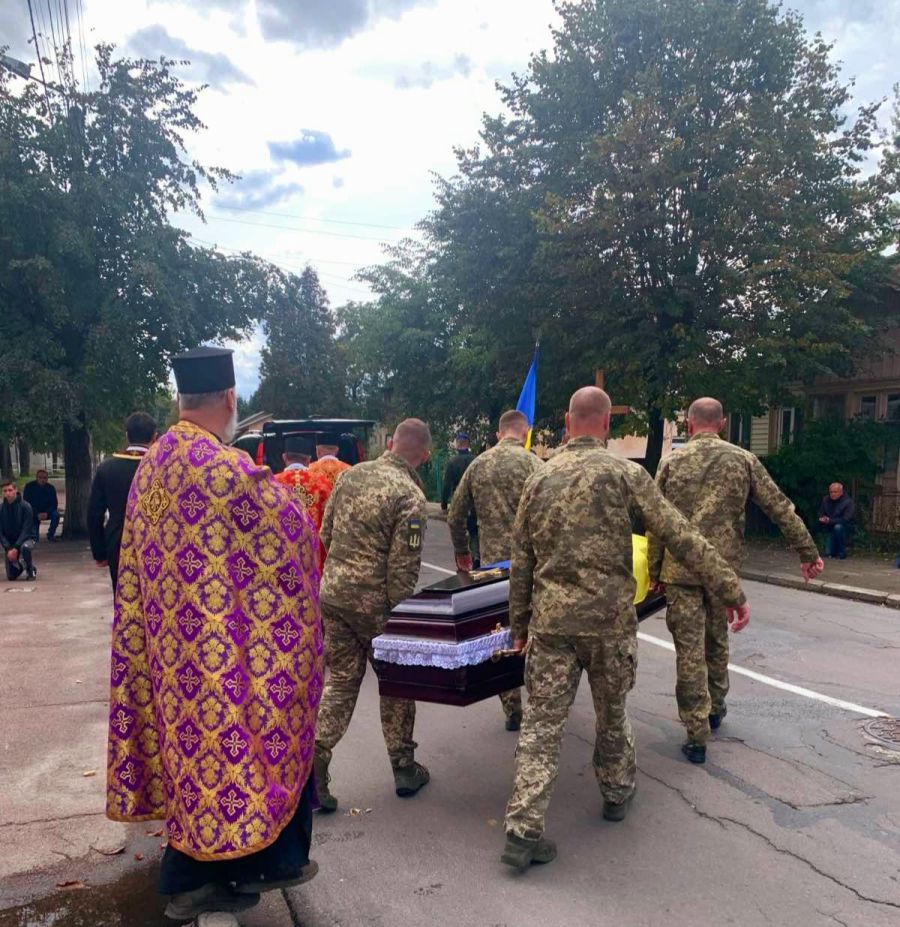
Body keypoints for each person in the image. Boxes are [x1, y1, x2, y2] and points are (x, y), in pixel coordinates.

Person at [105, 346, 324, 922]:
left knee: (194, 763)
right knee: (245, 747)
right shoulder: (224, 469)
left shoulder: (154, 463)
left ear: (182, 398)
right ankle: (256, 867)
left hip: (170, 653)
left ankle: (198, 879)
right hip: (223, 650)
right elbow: (292, 535)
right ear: (229, 398)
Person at [501, 388, 750, 872]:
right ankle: (616, 794)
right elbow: (679, 533)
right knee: (611, 713)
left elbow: (521, 562)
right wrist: (730, 589)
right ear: (606, 425)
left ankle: (522, 830)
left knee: (541, 726)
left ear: (568, 423)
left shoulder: (538, 478)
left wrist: (519, 626)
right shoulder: (625, 474)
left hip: (552, 625)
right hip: (609, 624)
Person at [648, 397, 822, 764]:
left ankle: (696, 733)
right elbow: (779, 507)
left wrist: (654, 570)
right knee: (717, 640)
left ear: (689, 424)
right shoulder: (743, 460)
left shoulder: (670, 462)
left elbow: (656, 522)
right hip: (723, 572)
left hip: (681, 571)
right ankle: (716, 707)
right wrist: (807, 552)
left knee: (689, 652)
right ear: (723, 423)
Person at [314, 418, 432, 813]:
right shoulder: (409, 495)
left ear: (391, 442)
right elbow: (402, 570)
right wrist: (405, 619)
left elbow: (326, 534)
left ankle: (316, 758)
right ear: (424, 456)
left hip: (334, 595)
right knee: (397, 683)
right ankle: (404, 767)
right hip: (376, 606)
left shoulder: (350, 476)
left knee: (341, 680)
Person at [447, 409, 541, 731]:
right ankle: (540, 702)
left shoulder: (478, 464)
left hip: (494, 567)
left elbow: (455, 515)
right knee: (535, 630)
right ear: (525, 433)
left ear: (499, 434)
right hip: (532, 564)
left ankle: (512, 707)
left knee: (501, 633)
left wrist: (463, 552)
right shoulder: (536, 465)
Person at [88, 411, 158, 590]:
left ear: (127, 435)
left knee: (122, 594)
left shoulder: (106, 468)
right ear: (154, 436)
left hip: (117, 540)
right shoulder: (162, 466)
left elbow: (94, 514)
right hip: (155, 542)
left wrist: (99, 552)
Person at [274, 435, 334, 571]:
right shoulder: (322, 483)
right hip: (314, 552)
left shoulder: (273, 483)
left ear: (284, 457)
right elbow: (331, 520)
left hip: (284, 553)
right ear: (308, 459)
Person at [441, 432, 478, 566]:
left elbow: (446, 485)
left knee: (459, 532)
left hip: (459, 502)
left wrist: (444, 504)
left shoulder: (452, 462)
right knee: (474, 532)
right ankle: (476, 556)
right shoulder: (476, 460)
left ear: (457, 444)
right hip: (474, 502)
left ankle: (462, 561)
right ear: (468, 444)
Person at [1, 480, 38, 581]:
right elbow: (0, 532)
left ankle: (30, 571)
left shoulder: (26, 506)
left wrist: (16, 547)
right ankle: (23, 565)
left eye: (10, 490)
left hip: (28, 539)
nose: (7, 493)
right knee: (11, 576)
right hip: (10, 542)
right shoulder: (1, 508)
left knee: (25, 548)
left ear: (15, 490)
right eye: (5, 491)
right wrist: (8, 548)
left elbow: (27, 530)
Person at [818, 482, 855, 559]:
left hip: (844, 528)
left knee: (838, 527)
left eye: (835, 492)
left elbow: (846, 519)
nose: (833, 494)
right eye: (831, 492)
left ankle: (842, 551)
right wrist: (822, 518)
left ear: (841, 492)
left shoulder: (848, 502)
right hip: (829, 527)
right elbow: (821, 513)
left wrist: (830, 520)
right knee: (829, 553)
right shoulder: (825, 500)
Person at [22, 469, 60, 542]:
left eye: (45, 478)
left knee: (56, 515)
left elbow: (54, 503)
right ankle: (34, 535)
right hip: (34, 511)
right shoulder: (29, 487)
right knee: (35, 538)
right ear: (36, 478)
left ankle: (50, 534)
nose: (42, 480)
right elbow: (26, 503)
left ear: (47, 478)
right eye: (40, 477)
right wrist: (36, 513)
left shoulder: (51, 488)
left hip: (47, 511)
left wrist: (47, 513)